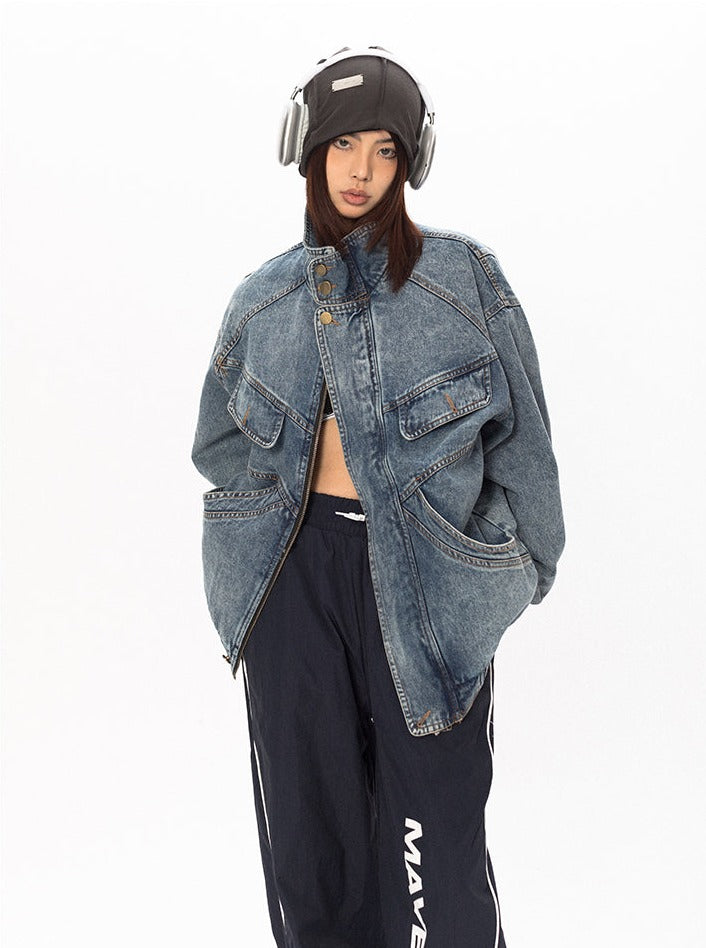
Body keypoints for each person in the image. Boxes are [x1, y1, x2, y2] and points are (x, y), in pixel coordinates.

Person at [191, 45, 565, 948]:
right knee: (313, 864)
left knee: (438, 866)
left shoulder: (464, 282)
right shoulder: (261, 302)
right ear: (307, 148)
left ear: (411, 161)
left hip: (425, 587)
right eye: (344, 144)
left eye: (385, 149)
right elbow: (219, 449)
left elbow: (526, 457)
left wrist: (487, 570)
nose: (361, 169)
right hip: (294, 585)